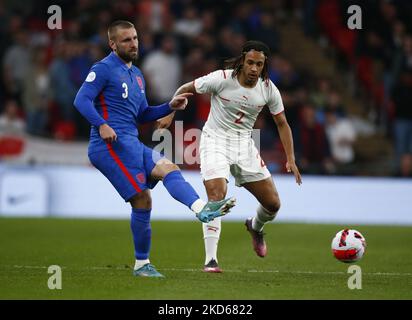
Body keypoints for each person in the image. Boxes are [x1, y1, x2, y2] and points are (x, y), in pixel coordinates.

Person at [73, 20, 235, 278]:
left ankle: (199, 210)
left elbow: (143, 113)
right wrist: (101, 124)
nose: (133, 43)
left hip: (131, 141)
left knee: (168, 170)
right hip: (108, 146)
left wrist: (170, 105)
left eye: (135, 38)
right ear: (112, 44)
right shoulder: (103, 69)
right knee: (142, 199)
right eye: (126, 40)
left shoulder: (137, 76)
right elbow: (81, 99)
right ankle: (142, 264)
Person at [157, 41, 302, 272]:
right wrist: (169, 113)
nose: (254, 68)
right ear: (243, 61)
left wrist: (291, 158)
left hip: (245, 145)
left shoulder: (268, 89)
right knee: (216, 196)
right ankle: (211, 260)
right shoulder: (221, 79)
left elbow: (282, 123)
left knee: (273, 204)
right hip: (215, 141)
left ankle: (255, 227)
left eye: (260, 64)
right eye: (251, 63)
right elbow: (185, 88)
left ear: (264, 66)